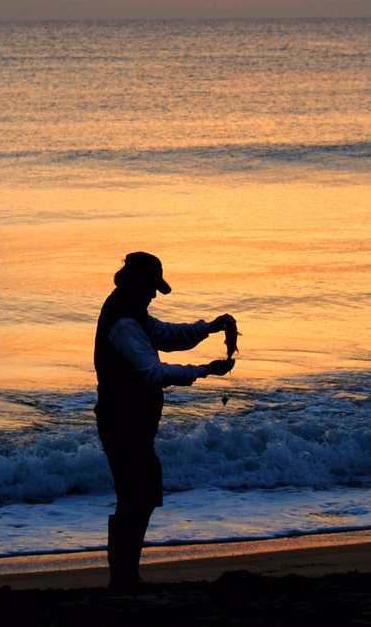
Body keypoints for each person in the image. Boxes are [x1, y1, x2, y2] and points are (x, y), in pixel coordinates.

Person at [93, 251, 236, 591]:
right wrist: (204, 371)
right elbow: (152, 371)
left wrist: (210, 328)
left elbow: (168, 336)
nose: (154, 295)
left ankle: (126, 576)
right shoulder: (124, 323)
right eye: (151, 287)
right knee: (135, 496)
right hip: (122, 421)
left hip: (132, 422)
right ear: (137, 284)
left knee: (138, 495)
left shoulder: (132, 314)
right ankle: (123, 578)